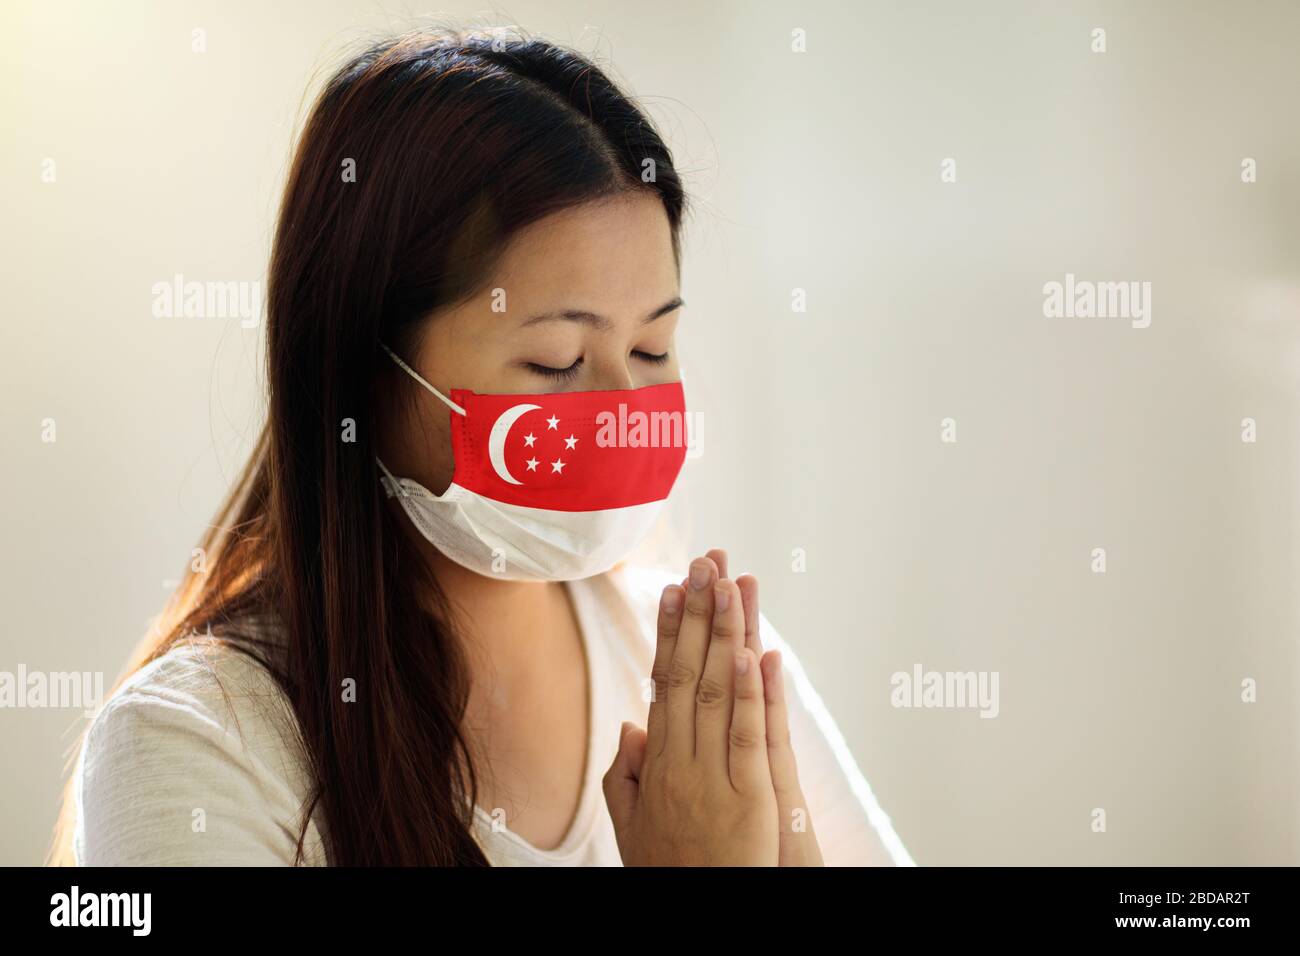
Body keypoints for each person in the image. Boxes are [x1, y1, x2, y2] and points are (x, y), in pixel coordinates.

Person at [50, 26, 912, 867]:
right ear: (367, 367)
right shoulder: (195, 743)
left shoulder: (714, 685)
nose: (620, 408)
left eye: (652, 349)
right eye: (556, 360)